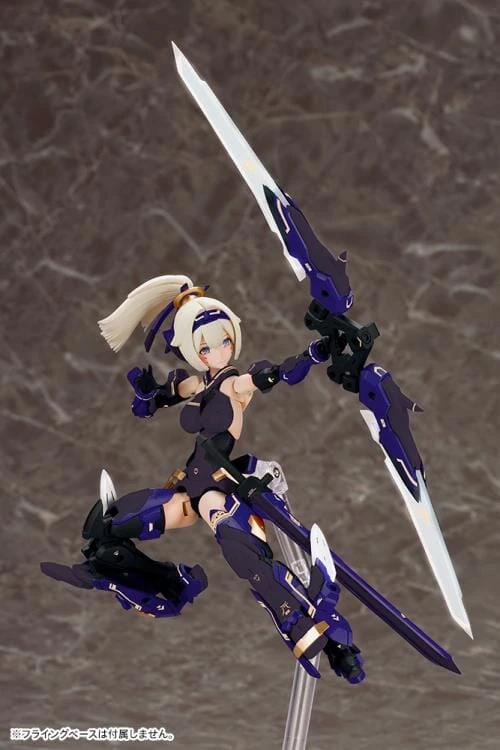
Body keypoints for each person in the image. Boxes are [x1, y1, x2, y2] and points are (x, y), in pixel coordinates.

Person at [41, 274, 365, 683]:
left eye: (223, 341)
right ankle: (150, 582)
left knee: (238, 547)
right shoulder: (198, 383)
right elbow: (155, 403)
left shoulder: (233, 384)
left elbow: (275, 375)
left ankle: (307, 621)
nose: (217, 351)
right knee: (116, 522)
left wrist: (315, 353)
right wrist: (148, 395)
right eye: (205, 347)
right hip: (189, 484)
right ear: (191, 350)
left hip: (217, 482)